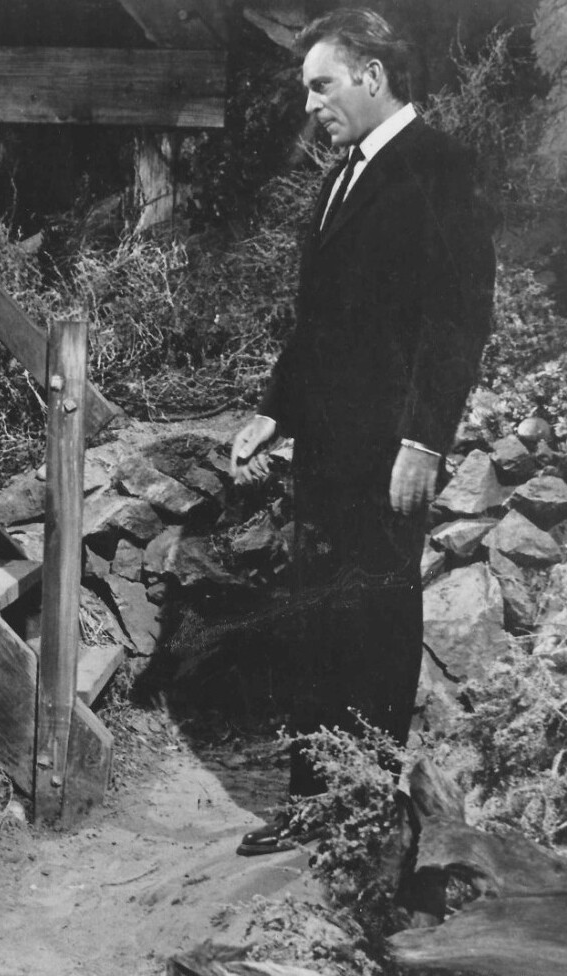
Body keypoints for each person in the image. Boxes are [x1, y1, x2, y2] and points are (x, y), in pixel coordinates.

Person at [229, 8, 494, 855]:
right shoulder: (341, 176)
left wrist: (424, 443)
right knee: (321, 620)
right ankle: (316, 799)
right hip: (327, 449)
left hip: (388, 453)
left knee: (377, 620)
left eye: (323, 85)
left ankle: (366, 805)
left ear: (372, 76)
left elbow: (456, 321)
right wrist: (273, 410)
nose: (311, 106)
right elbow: (321, 320)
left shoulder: (439, 166)